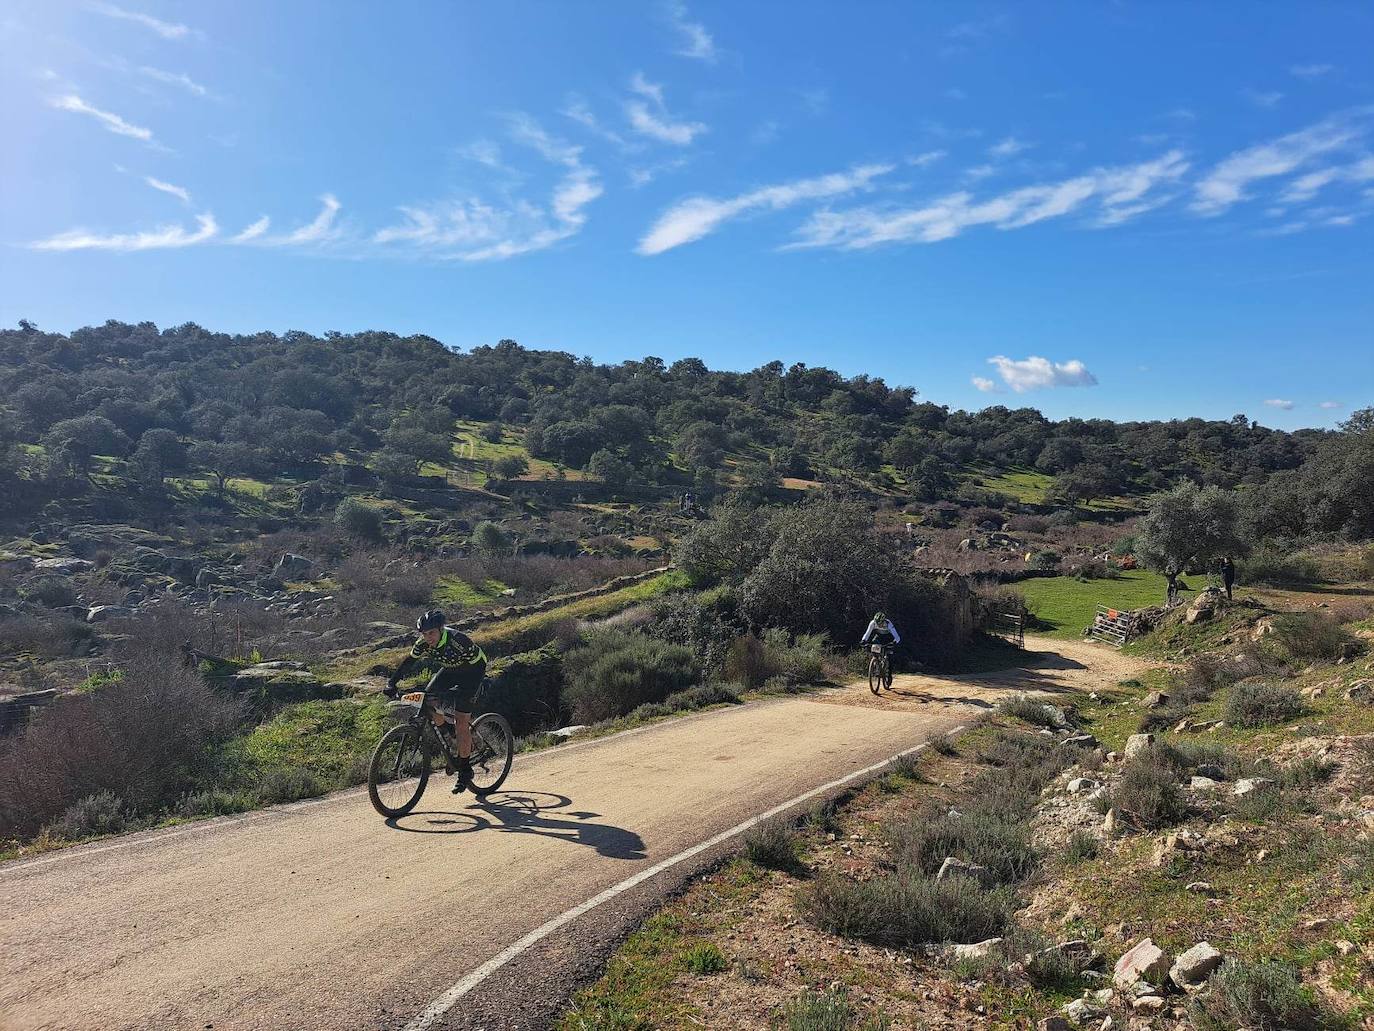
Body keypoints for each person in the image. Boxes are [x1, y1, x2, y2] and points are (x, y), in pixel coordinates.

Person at [385, 609, 488, 794]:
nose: (428, 638)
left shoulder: (458, 641)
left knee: (461, 721)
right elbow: (409, 661)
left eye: (431, 633)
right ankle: (450, 733)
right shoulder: (423, 644)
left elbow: (478, 668)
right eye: (424, 634)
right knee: (427, 701)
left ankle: (465, 770)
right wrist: (392, 682)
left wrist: (457, 692)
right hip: (450, 671)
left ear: (441, 630)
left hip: (472, 672)